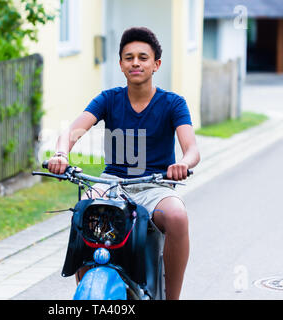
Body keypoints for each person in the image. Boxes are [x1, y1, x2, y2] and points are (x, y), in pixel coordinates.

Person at [47, 27, 200, 300]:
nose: (136, 63)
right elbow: (72, 131)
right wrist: (60, 154)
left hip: (156, 185)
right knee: (85, 210)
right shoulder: (109, 98)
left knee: (177, 217)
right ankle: (90, 289)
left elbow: (192, 150)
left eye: (143, 57)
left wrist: (182, 164)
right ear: (121, 64)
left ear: (156, 64)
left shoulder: (173, 103)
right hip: (112, 183)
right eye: (129, 57)